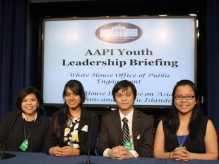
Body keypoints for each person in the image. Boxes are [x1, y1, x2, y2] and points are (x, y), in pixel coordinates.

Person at [154, 79, 218, 161]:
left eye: (188, 97)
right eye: (179, 97)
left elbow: (213, 155)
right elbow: (157, 153)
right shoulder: (164, 123)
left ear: (196, 100)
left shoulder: (206, 123)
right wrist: (171, 155)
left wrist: (191, 156)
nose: (183, 100)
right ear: (174, 100)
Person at [96, 80, 154, 160]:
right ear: (114, 98)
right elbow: (101, 146)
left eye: (128, 95)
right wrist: (109, 152)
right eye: (119, 96)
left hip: (137, 160)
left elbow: (148, 148)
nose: (124, 99)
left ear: (134, 96)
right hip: (114, 160)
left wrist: (131, 154)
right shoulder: (107, 119)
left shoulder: (146, 120)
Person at [48, 79, 99, 157]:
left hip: (82, 158)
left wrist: (77, 151)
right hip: (60, 158)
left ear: (81, 96)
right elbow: (49, 141)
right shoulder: (57, 115)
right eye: (67, 94)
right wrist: (51, 149)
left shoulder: (91, 116)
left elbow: (91, 145)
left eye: (75, 94)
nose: (71, 98)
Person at [0, 87, 50, 152]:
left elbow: (46, 148)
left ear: (38, 103)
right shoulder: (11, 118)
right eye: (24, 100)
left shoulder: (46, 123)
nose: (29, 103)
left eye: (32, 100)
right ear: (20, 103)